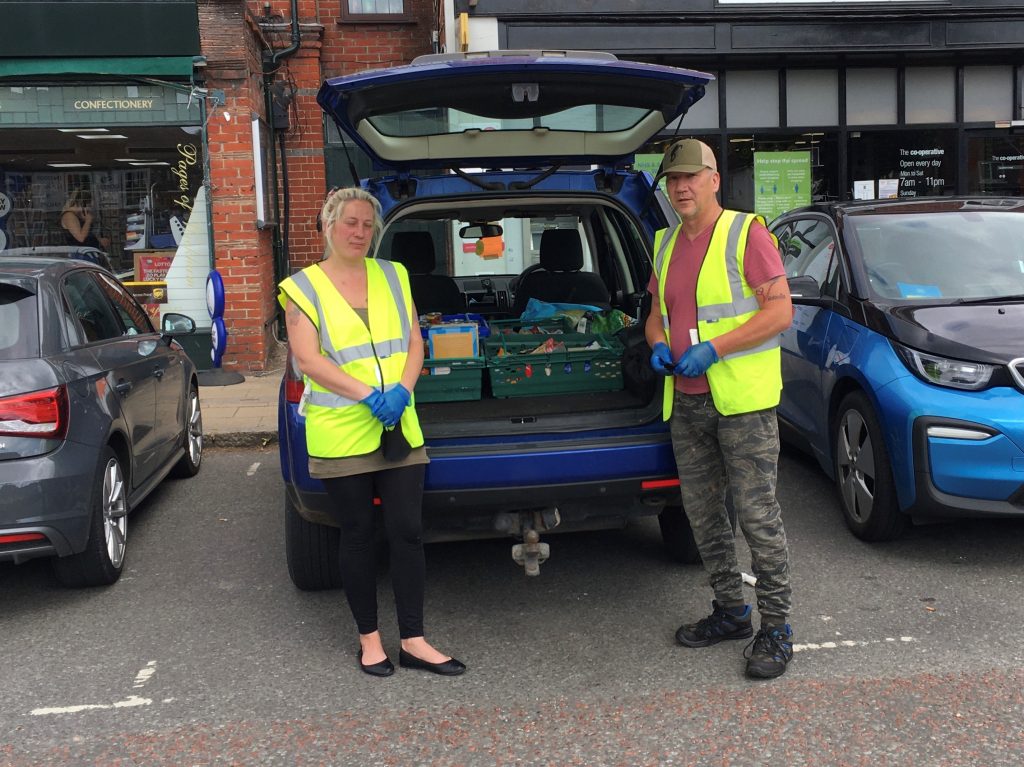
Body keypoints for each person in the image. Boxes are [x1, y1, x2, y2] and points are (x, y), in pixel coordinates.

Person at [278, 187, 465, 678]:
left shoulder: (393, 274)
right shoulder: (302, 288)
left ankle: (414, 641)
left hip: (398, 426)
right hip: (342, 432)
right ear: (328, 226)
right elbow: (308, 360)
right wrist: (368, 396)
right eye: (350, 223)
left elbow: (414, 340)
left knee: (407, 532)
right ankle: (370, 641)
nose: (359, 232)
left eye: (367, 225)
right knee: (358, 535)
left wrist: (402, 391)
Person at [644, 139, 795, 680]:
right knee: (704, 517)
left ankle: (776, 628)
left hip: (742, 405)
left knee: (757, 517)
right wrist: (656, 342)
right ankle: (731, 611)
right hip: (687, 402)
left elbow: (780, 311)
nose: (681, 187)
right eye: (673, 179)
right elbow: (656, 313)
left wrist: (717, 348)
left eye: (691, 177)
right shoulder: (664, 243)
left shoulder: (745, 233)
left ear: (714, 180)